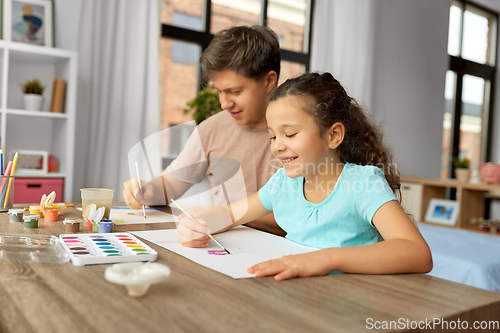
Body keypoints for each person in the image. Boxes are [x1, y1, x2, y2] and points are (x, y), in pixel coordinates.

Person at [176, 72, 433, 281]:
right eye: (273, 136)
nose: (277, 146)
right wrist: (198, 221)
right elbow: (231, 214)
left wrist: (325, 259)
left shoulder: (362, 184)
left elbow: (417, 252)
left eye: (290, 134)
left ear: (333, 136)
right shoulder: (283, 183)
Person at [123, 25, 286, 236]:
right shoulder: (211, 129)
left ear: (269, 81)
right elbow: (173, 182)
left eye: (234, 91)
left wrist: (226, 214)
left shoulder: (298, 132)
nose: (224, 103)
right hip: (220, 246)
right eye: (219, 91)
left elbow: (304, 214)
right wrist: (147, 191)